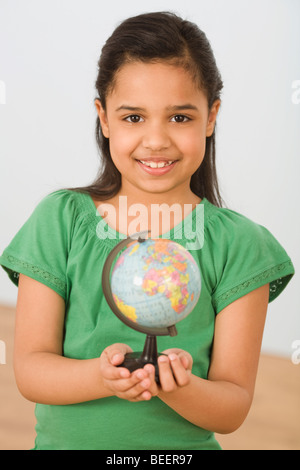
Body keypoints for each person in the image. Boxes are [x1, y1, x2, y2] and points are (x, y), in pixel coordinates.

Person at [0, 12, 295, 450]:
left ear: (211, 117)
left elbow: (232, 406)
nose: (156, 140)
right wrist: (102, 376)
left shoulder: (239, 245)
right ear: (103, 118)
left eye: (179, 118)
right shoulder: (58, 221)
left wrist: (180, 386)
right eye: (134, 118)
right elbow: (30, 371)